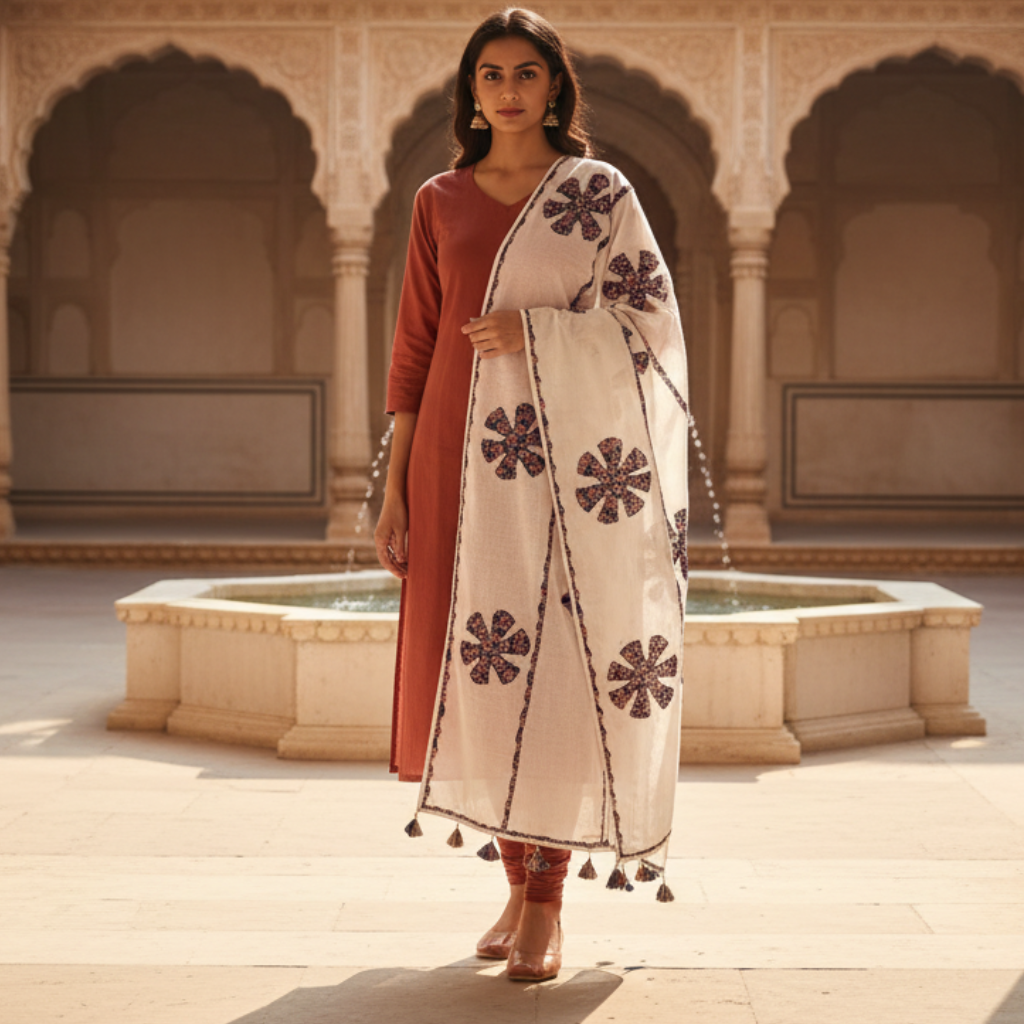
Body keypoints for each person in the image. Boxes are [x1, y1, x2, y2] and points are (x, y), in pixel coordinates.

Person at [376, 8, 689, 983]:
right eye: (490, 74)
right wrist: (393, 490)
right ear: (470, 90)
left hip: (566, 469)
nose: (507, 89)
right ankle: (515, 882)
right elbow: (417, 348)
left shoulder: (597, 194)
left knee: (557, 666)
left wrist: (538, 333)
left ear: (555, 85)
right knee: (481, 671)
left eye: (526, 72)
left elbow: (652, 329)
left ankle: (549, 901)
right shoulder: (440, 199)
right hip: (450, 461)